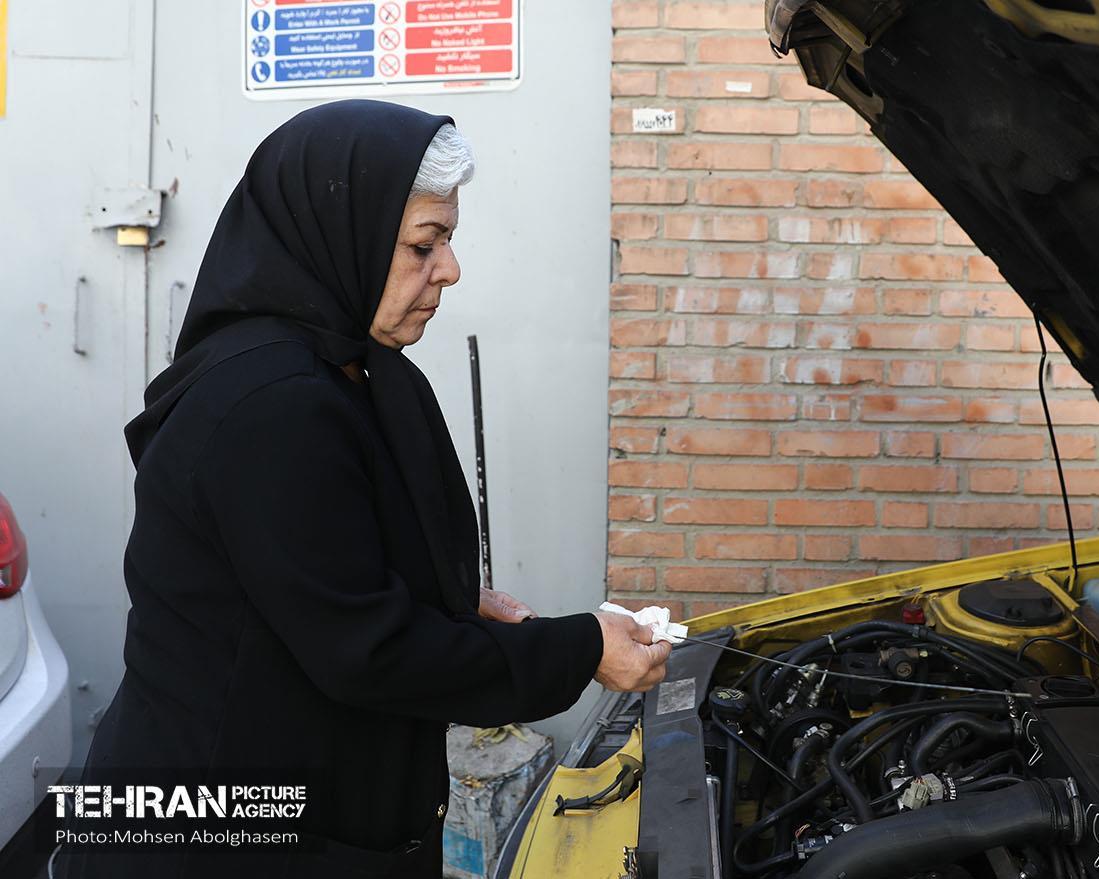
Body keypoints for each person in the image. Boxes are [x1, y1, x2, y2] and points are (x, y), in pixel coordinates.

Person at [51, 100, 670, 878]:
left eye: (447, 240)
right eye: (423, 244)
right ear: (339, 233)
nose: (449, 268)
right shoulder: (270, 404)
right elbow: (367, 648)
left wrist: (447, 596)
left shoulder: (358, 372)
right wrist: (581, 649)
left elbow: (321, 567)